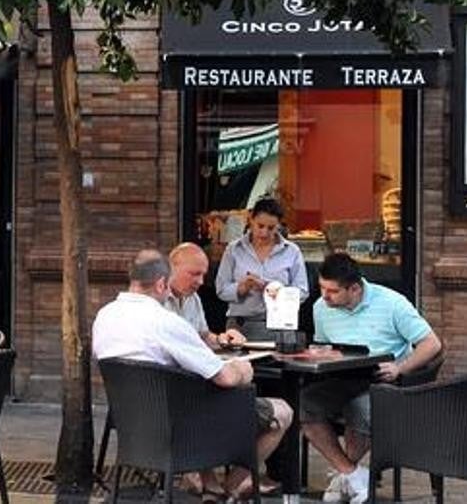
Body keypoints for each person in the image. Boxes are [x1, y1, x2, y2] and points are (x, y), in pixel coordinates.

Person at [94, 249, 293, 500]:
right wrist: (244, 369)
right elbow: (226, 378)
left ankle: (214, 487)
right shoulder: (165, 321)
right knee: (282, 411)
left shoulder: (104, 316)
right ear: (161, 283)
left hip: (133, 424)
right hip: (186, 428)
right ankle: (231, 488)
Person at [301, 252, 443, 504]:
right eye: (321, 288)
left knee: (359, 409)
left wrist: (400, 368)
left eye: (332, 291)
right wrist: (319, 352)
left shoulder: (392, 303)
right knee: (303, 405)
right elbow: (325, 347)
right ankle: (352, 474)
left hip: (386, 380)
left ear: (354, 288)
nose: (324, 296)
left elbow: (431, 344)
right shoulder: (320, 308)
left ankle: (345, 475)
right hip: (341, 378)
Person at [215, 198, 307, 340]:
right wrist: (241, 287)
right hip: (241, 326)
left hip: (280, 327)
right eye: (260, 226)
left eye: (271, 228)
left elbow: (302, 291)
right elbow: (221, 289)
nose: (264, 233)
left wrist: (274, 290)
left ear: (279, 226)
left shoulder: (291, 251)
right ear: (251, 220)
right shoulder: (234, 250)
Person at [168, 243, 247, 350]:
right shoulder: (153, 300)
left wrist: (223, 339)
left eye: (203, 275)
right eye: (194, 274)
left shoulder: (193, 298)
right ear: (172, 268)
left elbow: (203, 337)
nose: (200, 282)